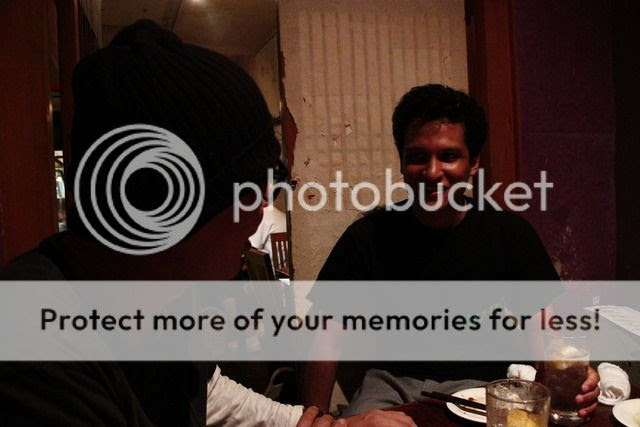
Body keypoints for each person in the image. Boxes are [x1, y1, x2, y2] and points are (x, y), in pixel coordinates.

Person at [0, 20, 415, 427]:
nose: (263, 206)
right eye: (250, 188)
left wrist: (306, 422)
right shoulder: (35, 347)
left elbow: (203, 393)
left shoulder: (158, 294)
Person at [302, 84, 600, 417]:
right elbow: (326, 334)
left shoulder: (509, 233)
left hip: (486, 387)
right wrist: (315, 417)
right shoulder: (368, 235)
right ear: (402, 162)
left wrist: (567, 377)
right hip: (390, 386)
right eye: (417, 157)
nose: (432, 172)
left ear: (473, 162)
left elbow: (544, 326)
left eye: (448, 156)